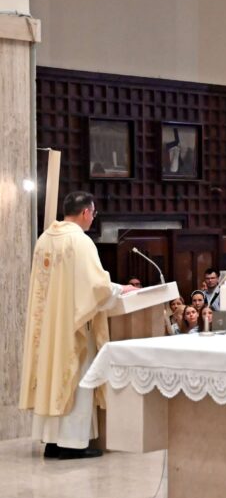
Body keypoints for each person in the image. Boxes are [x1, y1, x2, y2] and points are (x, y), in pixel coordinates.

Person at [19, 191, 138, 460]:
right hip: (72, 329)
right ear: (86, 212)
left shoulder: (44, 239)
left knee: (52, 379)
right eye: (93, 214)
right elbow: (96, 287)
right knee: (77, 380)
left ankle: (51, 442)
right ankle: (72, 444)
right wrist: (120, 289)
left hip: (49, 328)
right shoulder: (80, 242)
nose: (92, 219)